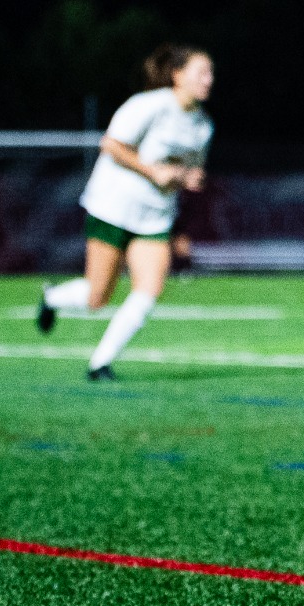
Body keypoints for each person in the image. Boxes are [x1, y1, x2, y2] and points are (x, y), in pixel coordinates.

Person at [36, 45, 214, 379]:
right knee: (97, 297)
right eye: (201, 72)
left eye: (211, 73)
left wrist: (188, 179)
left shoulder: (203, 126)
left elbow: (186, 173)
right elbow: (112, 145)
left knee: (150, 289)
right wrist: (154, 171)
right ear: (177, 75)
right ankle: (52, 297)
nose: (209, 80)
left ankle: (99, 363)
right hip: (114, 205)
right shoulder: (149, 106)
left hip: (155, 216)